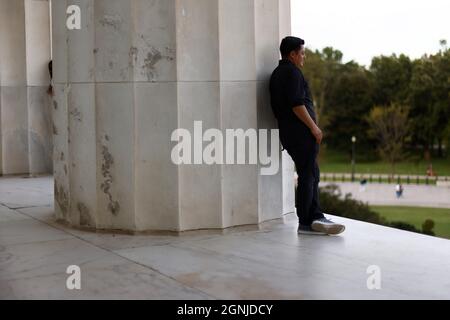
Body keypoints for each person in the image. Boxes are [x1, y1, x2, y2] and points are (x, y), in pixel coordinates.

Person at [270, 37, 345, 235]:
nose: (304, 56)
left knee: (311, 173)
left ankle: (314, 215)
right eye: (302, 53)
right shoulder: (292, 73)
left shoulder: (277, 73)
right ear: (292, 54)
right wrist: (314, 127)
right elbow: (296, 104)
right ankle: (308, 219)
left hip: (290, 134)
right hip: (301, 134)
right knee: (308, 175)